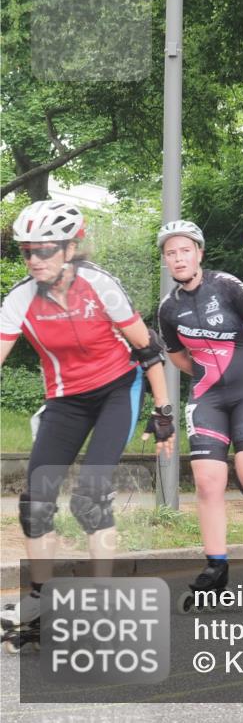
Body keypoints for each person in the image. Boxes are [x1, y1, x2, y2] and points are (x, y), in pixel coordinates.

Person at [0, 201, 175, 644]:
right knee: (35, 502)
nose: (34, 259)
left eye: (45, 249)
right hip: (65, 401)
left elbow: (147, 349)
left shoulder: (100, 285)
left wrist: (163, 411)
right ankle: (40, 599)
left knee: (90, 498)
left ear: (70, 248)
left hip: (117, 391)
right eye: (27, 251)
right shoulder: (19, 298)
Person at [156, 220, 243, 602]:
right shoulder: (168, 308)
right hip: (208, 396)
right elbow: (176, 356)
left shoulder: (227, 286)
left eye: (185, 250)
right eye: (171, 253)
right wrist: (207, 375)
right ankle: (216, 566)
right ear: (166, 260)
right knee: (207, 481)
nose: (179, 258)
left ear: (199, 253)